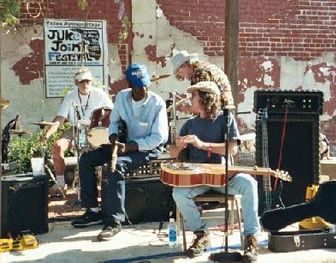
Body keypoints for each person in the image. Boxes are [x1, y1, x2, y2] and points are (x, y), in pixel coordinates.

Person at [71, 63, 169, 241]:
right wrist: (114, 136)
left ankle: (114, 221)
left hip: (147, 148)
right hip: (123, 144)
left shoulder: (157, 103)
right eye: (138, 86)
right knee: (86, 159)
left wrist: (131, 147)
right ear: (130, 85)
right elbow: (114, 121)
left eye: (145, 84)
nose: (143, 89)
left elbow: (158, 137)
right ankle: (93, 210)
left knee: (116, 167)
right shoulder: (122, 97)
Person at [169, 81, 260, 260]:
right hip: (198, 180)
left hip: (223, 178)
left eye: (194, 95)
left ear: (204, 98)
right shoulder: (190, 124)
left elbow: (233, 149)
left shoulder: (225, 119)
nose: (191, 99)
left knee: (249, 183)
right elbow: (172, 152)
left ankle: (250, 238)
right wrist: (179, 146)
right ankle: (202, 234)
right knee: (178, 193)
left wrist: (203, 145)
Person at [40, 67, 114, 194]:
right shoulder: (70, 96)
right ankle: (61, 183)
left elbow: (112, 113)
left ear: (91, 82)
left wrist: (103, 125)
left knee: (104, 151)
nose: (85, 84)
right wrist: (47, 133)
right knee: (57, 146)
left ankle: (103, 184)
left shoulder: (100, 94)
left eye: (88, 81)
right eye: (82, 82)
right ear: (76, 83)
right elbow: (60, 119)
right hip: (75, 128)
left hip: (94, 130)